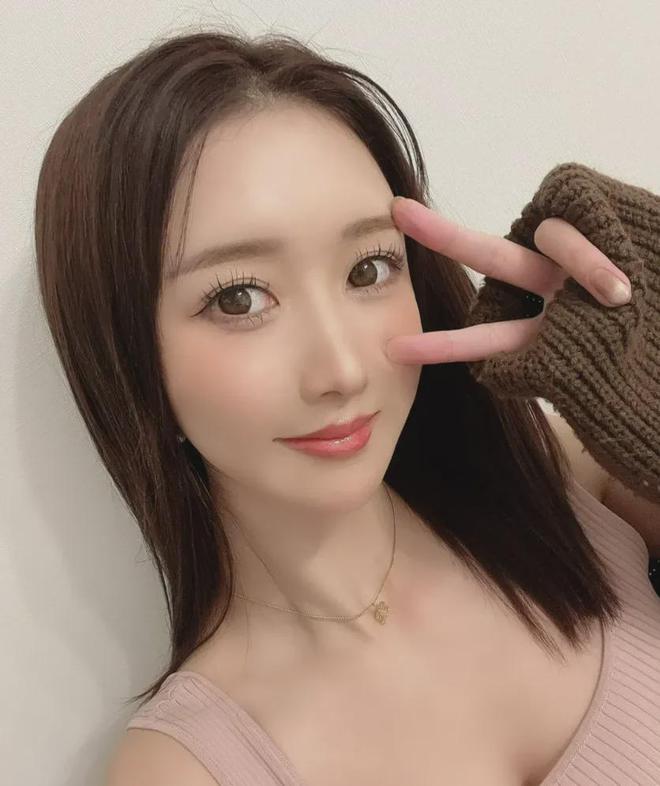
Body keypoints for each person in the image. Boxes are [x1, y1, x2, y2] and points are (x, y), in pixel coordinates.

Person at [33, 29, 659, 786]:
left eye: (368, 269)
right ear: (128, 358)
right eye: (239, 298)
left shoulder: (569, 483)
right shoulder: (187, 769)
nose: (341, 369)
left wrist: (649, 354)